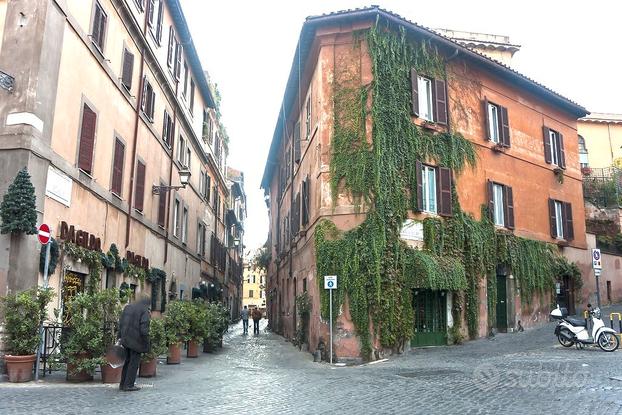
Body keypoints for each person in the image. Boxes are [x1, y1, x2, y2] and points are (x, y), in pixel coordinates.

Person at [118, 297, 151, 391]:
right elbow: (144, 329)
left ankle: (123, 383)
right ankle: (129, 385)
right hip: (136, 341)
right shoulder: (144, 310)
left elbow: (121, 323)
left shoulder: (127, 307)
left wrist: (120, 337)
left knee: (127, 362)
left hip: (125, 339)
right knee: (134, 363)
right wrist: (146, 343)